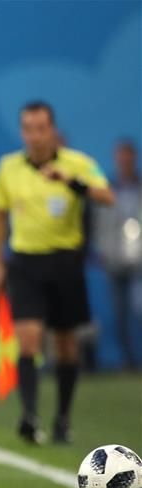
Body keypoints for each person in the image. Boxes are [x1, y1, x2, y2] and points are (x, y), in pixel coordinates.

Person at [0, 101, 113, 444]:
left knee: (65, 345)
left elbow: (107, 196)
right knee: (27, 339)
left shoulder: (78, 163)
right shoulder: (8, 167)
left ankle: (62, 418)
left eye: (41, 128)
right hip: (26, 261)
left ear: (52, 130)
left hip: (65, 262)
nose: (35, 135)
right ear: (22, 131)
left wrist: (73, 182)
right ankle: (29, 416)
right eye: (28, 128)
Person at [94, 139, 141, 369]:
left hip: (140, 262)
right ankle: (128, 359)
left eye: (128, 157)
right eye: (121, 157)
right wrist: (103, 251)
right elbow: (99, 224)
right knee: (119, 315)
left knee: (139, 310)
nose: (125, 162)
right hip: (114, 260)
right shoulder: (107, 188)